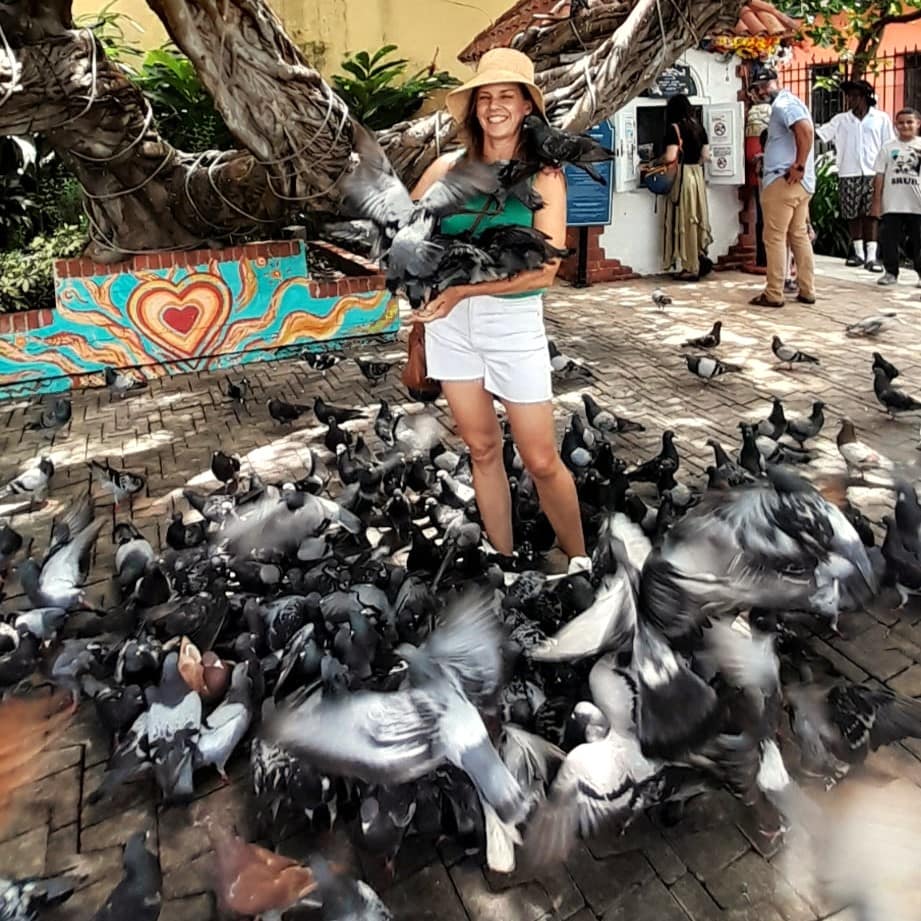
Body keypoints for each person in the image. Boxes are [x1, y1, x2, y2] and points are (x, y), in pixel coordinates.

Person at [409, 48, 588, 573]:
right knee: (483, 450)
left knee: (540, 458)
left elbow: (545, 270)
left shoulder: (545, 177)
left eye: (505, 96)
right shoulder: (448, 168)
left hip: (511, 321)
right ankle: (503, 560)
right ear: (473, 110)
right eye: (484, 97)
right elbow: (403, 230)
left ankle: (578, 559)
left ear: (528, 106)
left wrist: (463, 291)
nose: (493, 106)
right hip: (448, 325)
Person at [748, 64, 816, 309]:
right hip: (799, 184)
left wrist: (798, 164)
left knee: (774, 237)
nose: (761, 91)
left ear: (772, 83)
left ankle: (774, 292)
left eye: (762, 86)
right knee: (798, 235)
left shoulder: (784, 105)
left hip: (784, 180)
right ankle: (807, 290)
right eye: (757, 88)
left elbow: (806, 131)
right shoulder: (789, 103)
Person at [817, 79, 894, 272]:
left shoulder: (880, 118)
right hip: (848, 171)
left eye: (855, 96)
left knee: (872, 213)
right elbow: (821, 134)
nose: (851, 100)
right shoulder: (841, 120)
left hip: (873, 172)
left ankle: (872, 256)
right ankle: (857, 253)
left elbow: (889, 145)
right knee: (852, 213)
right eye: (849, 96)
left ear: (866, 97)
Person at [662, 93, 714, 281]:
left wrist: (657, 161)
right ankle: (699, 257)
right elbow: (706, 156)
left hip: (682, 176)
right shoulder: (699, 127)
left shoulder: (674, 129)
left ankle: (690, 267)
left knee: (684, 218)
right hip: (697, 175)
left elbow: (670, 156)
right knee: (696, 218)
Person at [871, 107, 921, 287]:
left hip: (917, 205)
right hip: (892, 203)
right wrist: (876, 202)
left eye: (910, 122)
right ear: (895, 125)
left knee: (919, 240)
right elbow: (879, 175)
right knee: (889, 239)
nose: (905, 126)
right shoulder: (888, 148)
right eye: (901, 122)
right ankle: (891, 272)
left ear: (917, 124)